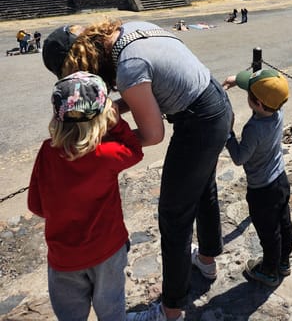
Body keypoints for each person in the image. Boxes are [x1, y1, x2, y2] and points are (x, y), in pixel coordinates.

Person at [42, 20, 233, 321]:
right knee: (203, 186)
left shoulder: (129, 67)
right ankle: (207, 260)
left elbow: (153, 134)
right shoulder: (130, 31)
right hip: (214, 103)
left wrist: (98, 148)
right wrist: (114, 107)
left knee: (173, 215)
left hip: (198, 123)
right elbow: (147, 87)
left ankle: (172, 308)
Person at [28, 71, 145, 321]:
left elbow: (36, 206)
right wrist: (118, 125)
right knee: (112, 308)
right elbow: (136, 152)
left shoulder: (48, 152)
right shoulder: (107, 154)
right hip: (108, 249)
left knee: (70, 315)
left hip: (64, 257)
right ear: (104, 115)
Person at [222, 68, 292, 287]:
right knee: (284, 222)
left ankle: (269, 271)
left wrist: (228, 131)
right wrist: (236, 81)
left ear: (259, 105)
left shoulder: (254, 128)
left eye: (249, 94)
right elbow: (266, 91)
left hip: (262, 190)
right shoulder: (278, 111)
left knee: (268, 232)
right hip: (280, 179)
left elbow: (239, 158)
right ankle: (283, 262)